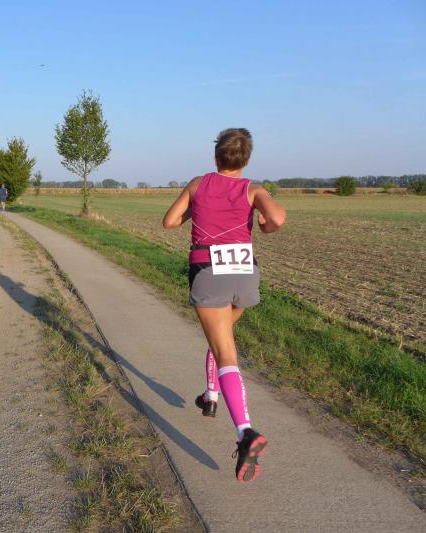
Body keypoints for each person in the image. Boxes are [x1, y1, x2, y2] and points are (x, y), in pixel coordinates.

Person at [162, 128, 286, 482]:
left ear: (216, 156)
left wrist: (195, 209)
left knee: (225, 351)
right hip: (245, 274)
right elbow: (276, 219)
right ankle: (211, 395)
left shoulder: (198, 184)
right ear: (245, 160)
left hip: (209, 270)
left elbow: (169, 221)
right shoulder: (253, 189)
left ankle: (245, 431)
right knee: (222, 337)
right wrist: (264, 227)